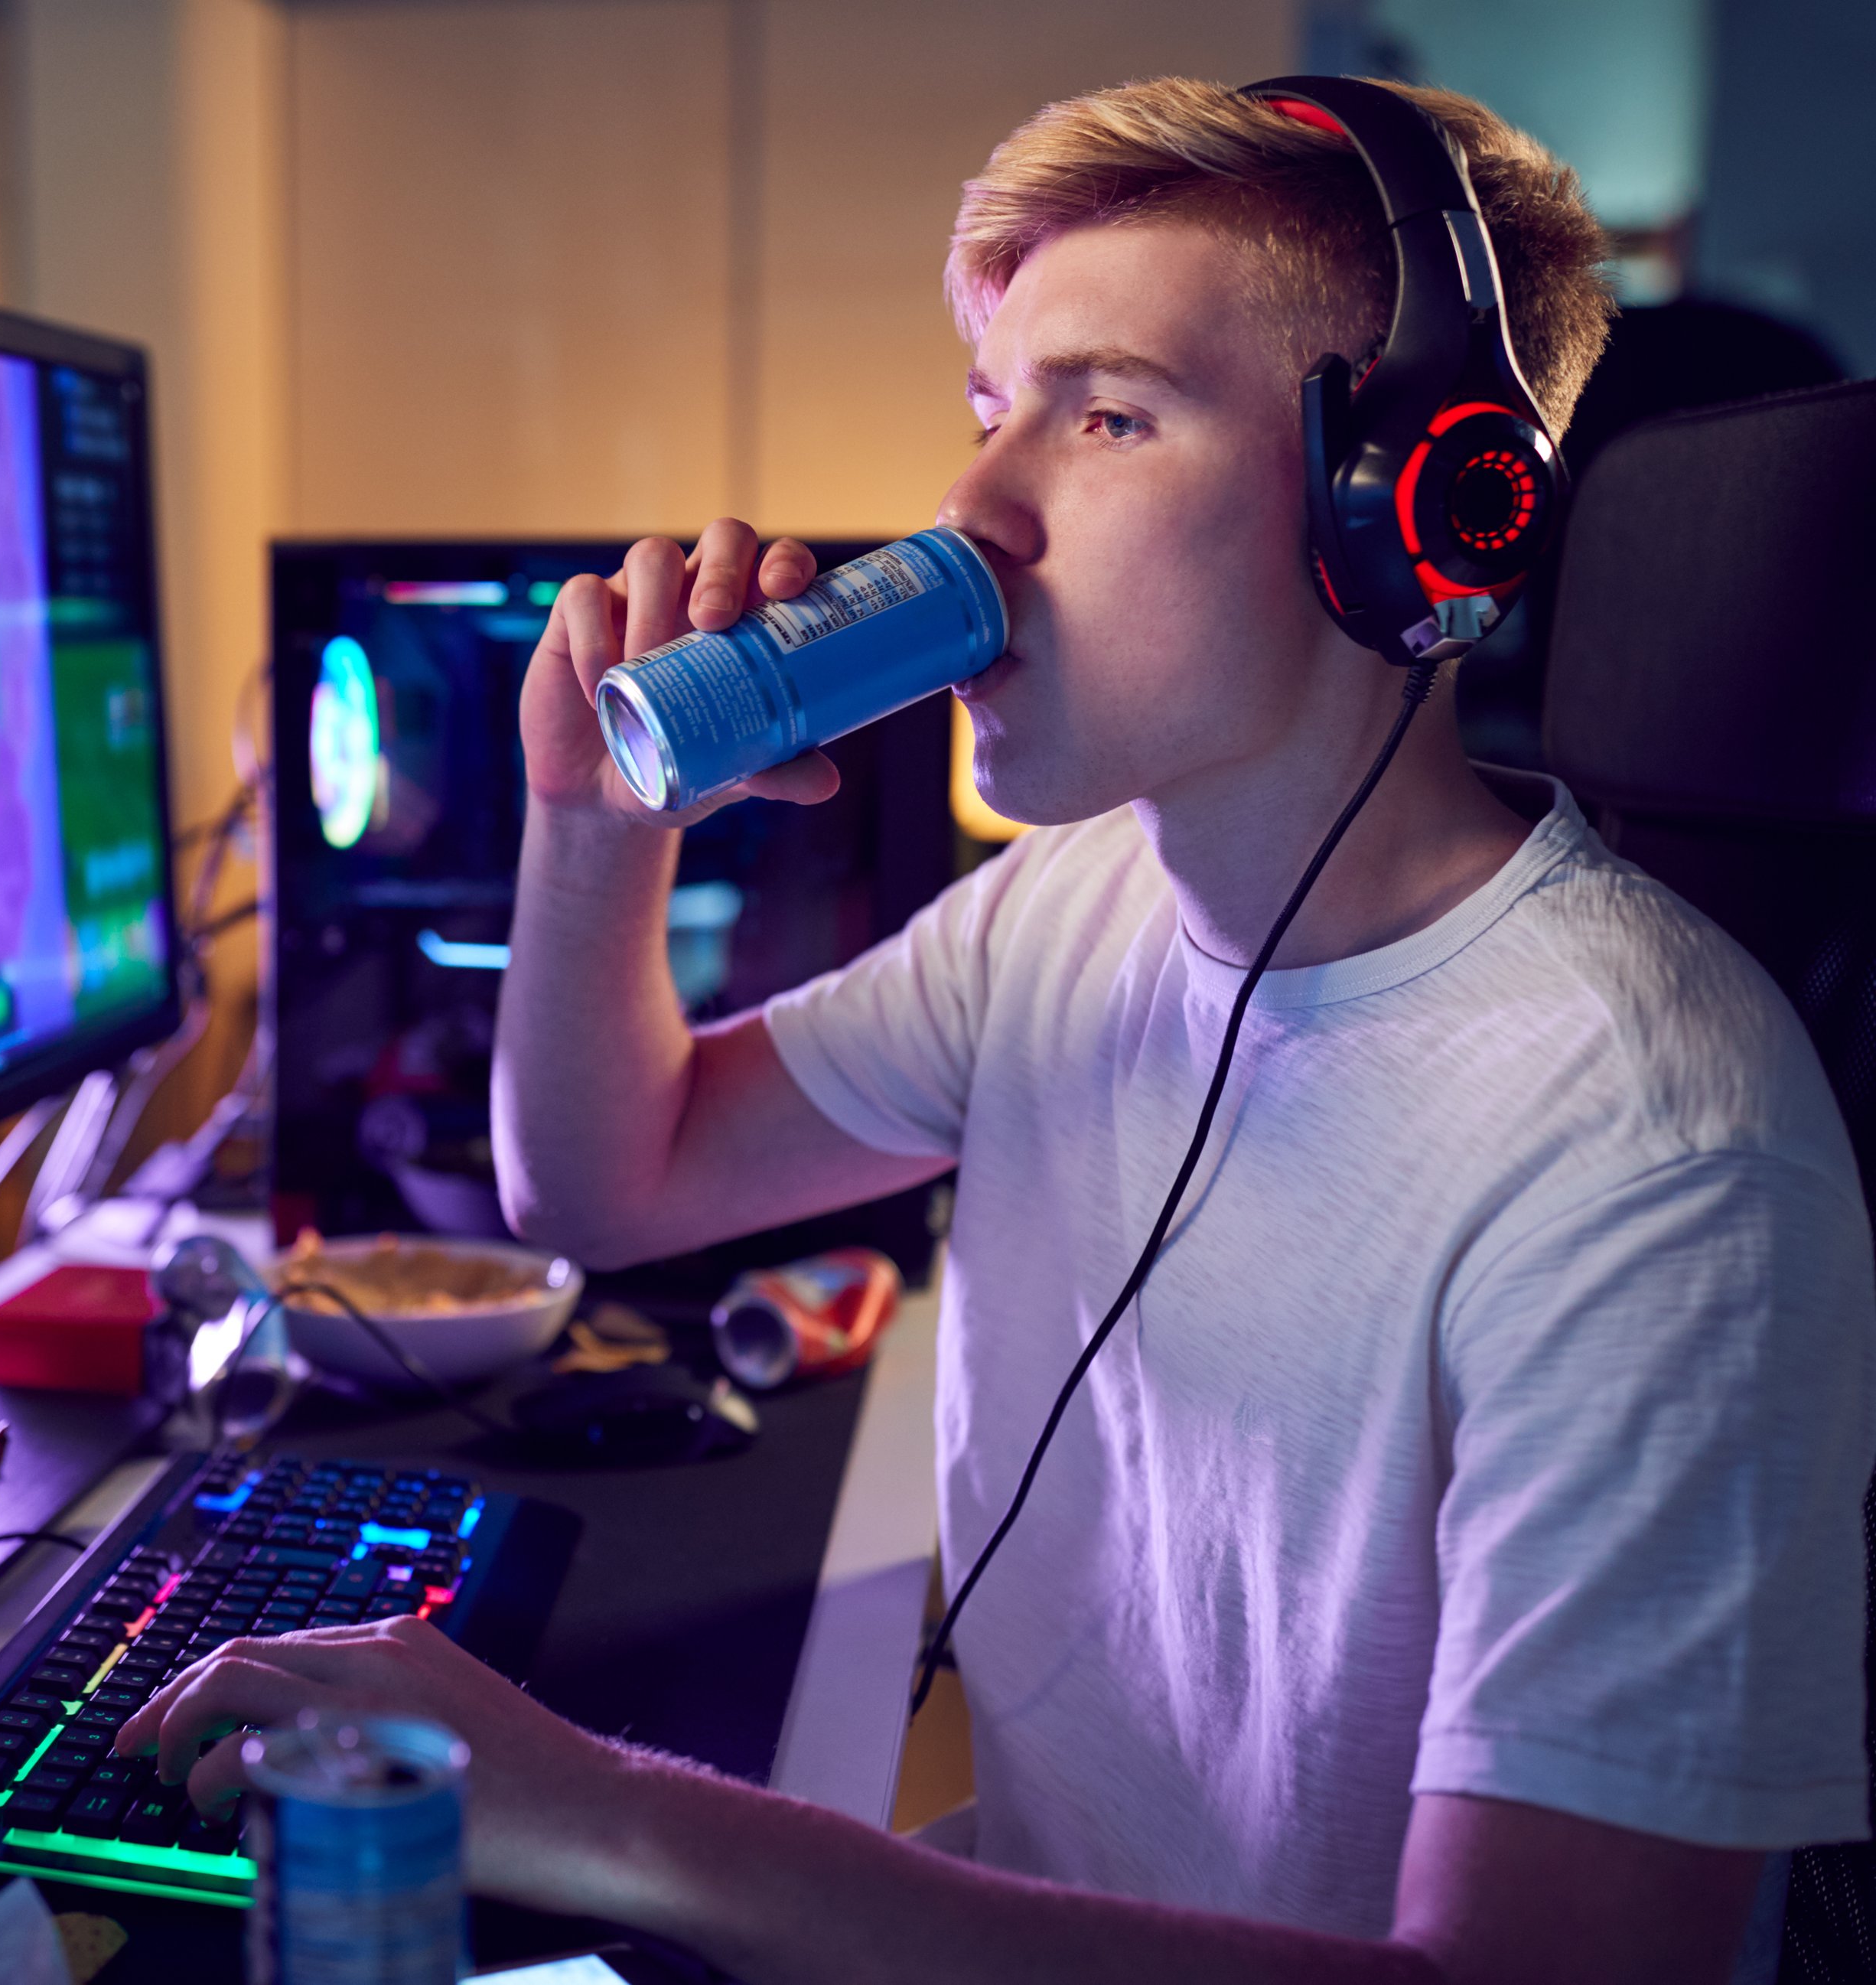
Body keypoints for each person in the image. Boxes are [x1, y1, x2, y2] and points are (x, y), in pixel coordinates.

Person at [119, 77, 1876, 1983]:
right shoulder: (1076, 905)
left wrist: (615, 1811)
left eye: (1108, 413)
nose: (968, 505)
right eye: (990, 410)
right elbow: (603, 1184)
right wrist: (588, 824)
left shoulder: (1654, 1142)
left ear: (1412, 511)